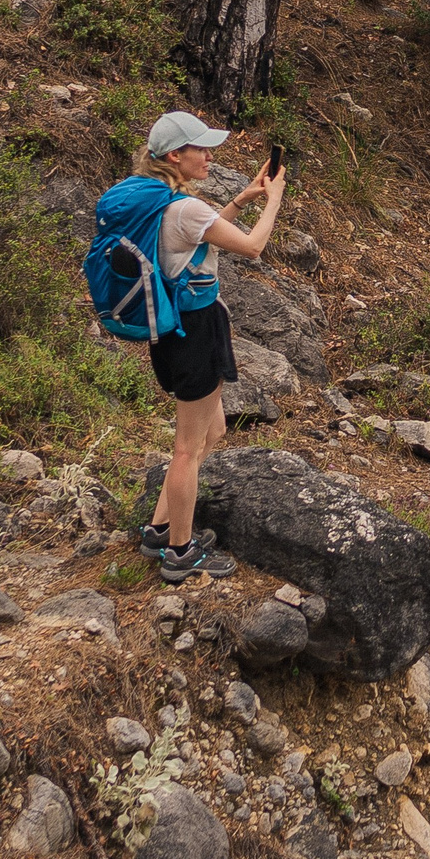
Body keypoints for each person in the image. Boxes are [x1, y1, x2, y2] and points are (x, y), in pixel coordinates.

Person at [135, 109, 287, 583]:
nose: (209, 155)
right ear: (175, 156)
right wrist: (274, 201)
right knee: (186, 448)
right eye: (200, 148)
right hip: (196, 332)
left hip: (176, 332)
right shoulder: (184, 208)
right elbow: (253, 247)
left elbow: (198, 240)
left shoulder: (164, 205)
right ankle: (179, 551)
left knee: (212, 430)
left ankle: (160, 528)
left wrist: (242, 199)